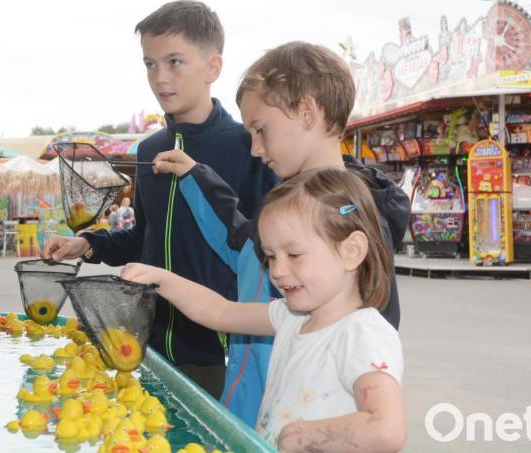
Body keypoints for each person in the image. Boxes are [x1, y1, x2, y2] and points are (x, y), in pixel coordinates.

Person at [151, 41, 411, 426]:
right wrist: (194, 176)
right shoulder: (293, 201)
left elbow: (372, 352)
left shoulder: (351, 215)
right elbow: (244, 245)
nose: (255, 149)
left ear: (307, 113)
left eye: (261, 130)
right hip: (258, 415)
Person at [41, 1, 278, 399]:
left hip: (220, 354)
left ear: (213, 67)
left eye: (174, 62)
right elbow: (144, 238)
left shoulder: (249, 148)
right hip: (147, 343)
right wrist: (88, 243)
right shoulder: (150, 148)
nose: (160, 78)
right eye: (150, 64)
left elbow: (264, 250)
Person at [122, 168, 406, 452]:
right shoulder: (291, 317)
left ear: (351, 251)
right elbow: (219, 312)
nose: (278, 271)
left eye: (294, 255)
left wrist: (303, 437)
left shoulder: (362, 333)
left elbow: (387, 429)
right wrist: (162, 279)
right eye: (271, 257)